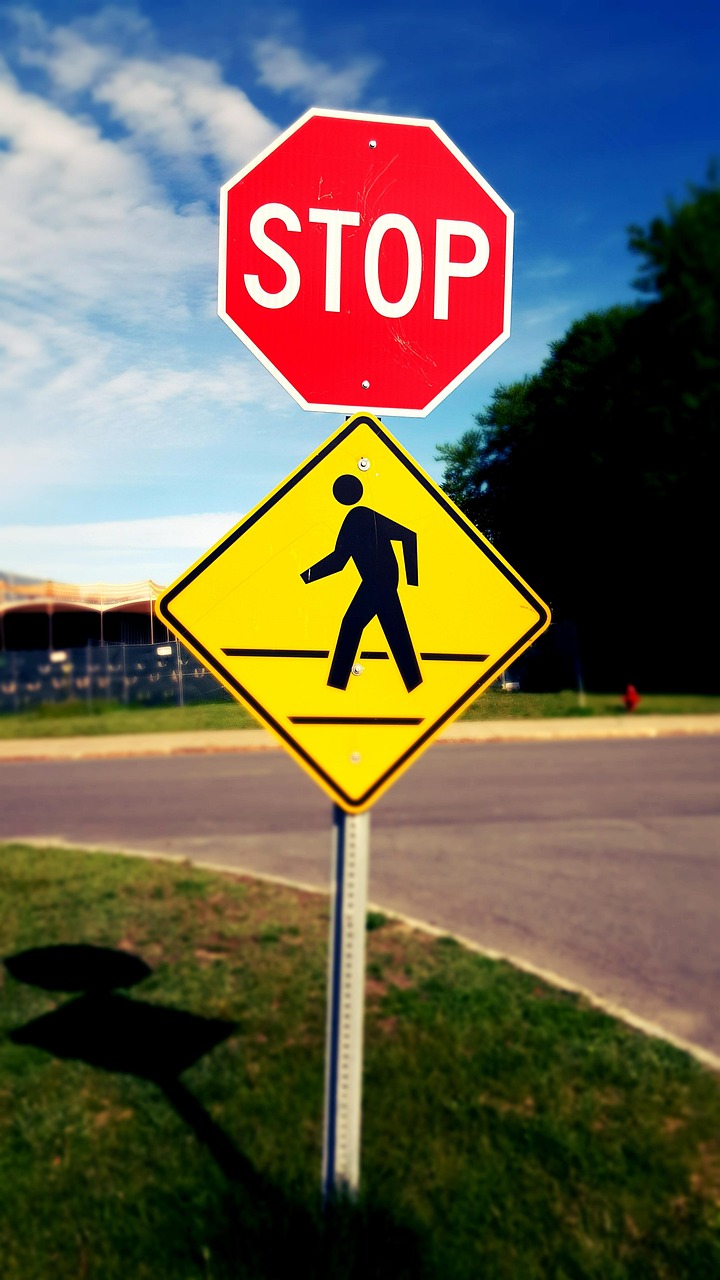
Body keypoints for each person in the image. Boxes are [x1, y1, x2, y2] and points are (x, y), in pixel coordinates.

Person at [301, 474, 422, 691]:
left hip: (379, 582)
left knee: (352, 624)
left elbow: (409, 536)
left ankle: (336, 684)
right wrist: (307, 576)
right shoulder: (355, 518)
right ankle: (414, 684)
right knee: (395, 632)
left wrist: (412, 581)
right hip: (379, 582)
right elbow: (339, 561)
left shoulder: (361, 515)